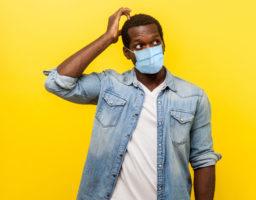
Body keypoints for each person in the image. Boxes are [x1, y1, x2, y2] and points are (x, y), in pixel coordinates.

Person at [43, 7, 222, 200]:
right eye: (138, 46)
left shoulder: (193, 96)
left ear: (163, 45)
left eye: (155, 42)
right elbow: (57, 83)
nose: (149, 49)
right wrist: (107, 37)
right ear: (127, 53)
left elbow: (203, 159)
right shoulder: (110, 85)